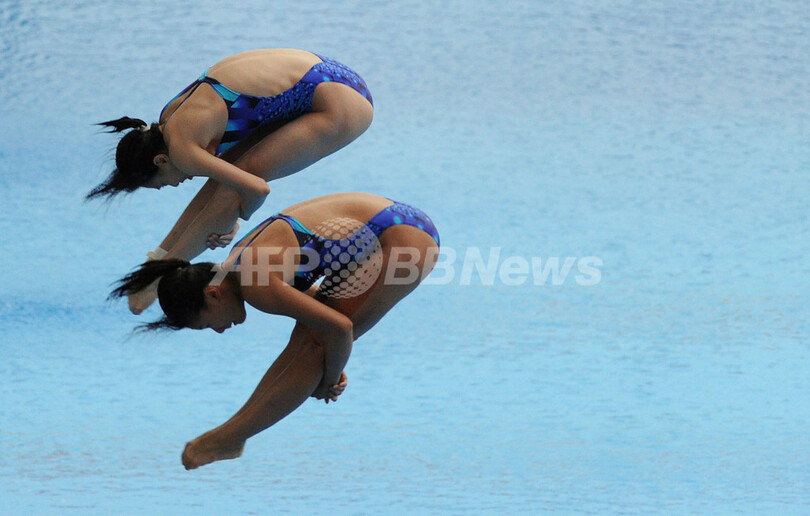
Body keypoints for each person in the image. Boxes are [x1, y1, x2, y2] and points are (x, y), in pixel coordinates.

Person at [110, 193, 440, 469]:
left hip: (403, 240)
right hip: (396, 223)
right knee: (311, 335)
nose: (220, 330)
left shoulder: (255, 284)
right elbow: (324, 314)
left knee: (315, 342)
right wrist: (330, 360)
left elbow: (340, 328)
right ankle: (231, 435)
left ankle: (228, 438)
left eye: (209, 324)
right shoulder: (238, 262)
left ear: (213, 295)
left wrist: (328, 377)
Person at [90, 49, 374, 312]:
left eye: (163, 183)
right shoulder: (170, 119)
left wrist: (238, 219)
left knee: (242, 178)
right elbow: (229, 178)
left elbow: (257, 188)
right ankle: (156, 264)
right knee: (229, 173)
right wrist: (226, 218)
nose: (175, 185)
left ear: (160, 161)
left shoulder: (181, 150)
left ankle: (159, 277)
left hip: (343, 103)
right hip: (327, 76)